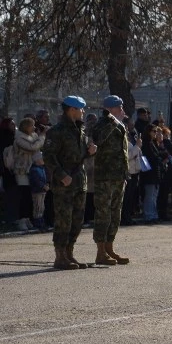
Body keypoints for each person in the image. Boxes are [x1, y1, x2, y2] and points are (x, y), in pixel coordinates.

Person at [43, 95, 97, 270]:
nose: (83, 111)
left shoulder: (80, 130)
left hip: (79, 181)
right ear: (72, 109)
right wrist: (61, 175)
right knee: (63, 220)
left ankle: (69, 253)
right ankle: (60, 257)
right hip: (64, 183)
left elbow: (78, 156)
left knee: (77, 220)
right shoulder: (56, 131)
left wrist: (90, 152)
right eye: (81, 108)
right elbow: (48, 156)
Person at [90, 95, 131, 265]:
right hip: (105, 177)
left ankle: (109, 248)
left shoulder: (119, 125)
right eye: (118, 107)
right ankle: (100, 252)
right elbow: (98, 140)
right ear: (109, 109)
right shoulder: (101, 124)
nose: (122, 110)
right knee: (103, 214)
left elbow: (123, 152)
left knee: (115, 214)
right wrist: (114, 122)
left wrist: (125, 174)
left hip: (118, 176)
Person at [27, 152, 49, 232]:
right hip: (37, 192)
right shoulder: (34, 169)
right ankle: (38, 224)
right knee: (38, 207)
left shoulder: (42, 168)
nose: (43, 160)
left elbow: (44, 179)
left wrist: (46, 184)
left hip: (42, 191)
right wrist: (43, 186)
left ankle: (42, 223)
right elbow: (36, 181)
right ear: (37, 160)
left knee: (42, 207)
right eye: (42, 158)